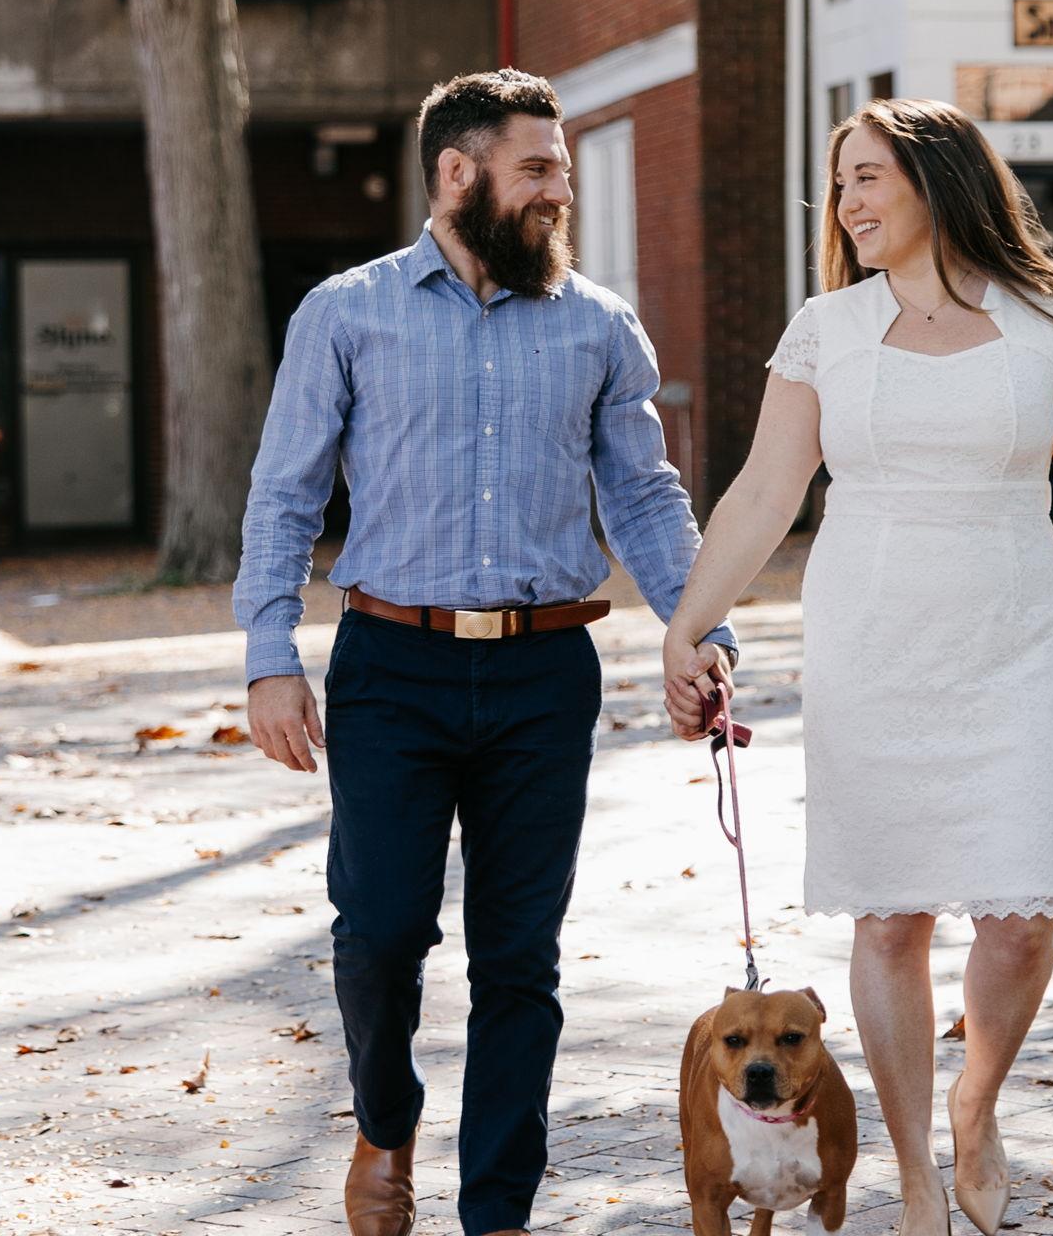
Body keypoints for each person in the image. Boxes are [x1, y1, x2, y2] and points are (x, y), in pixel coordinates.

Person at [236, 69, 737, 1236]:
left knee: (521, 956)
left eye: (558, 169)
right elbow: (283, 495)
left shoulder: (598, 323)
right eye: (539, 169)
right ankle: (384, 1120)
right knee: (377, 931)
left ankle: (498, 1208)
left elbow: (647, 498)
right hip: (390, 667)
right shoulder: (344, 313)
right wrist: (270, 652)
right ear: (457, 174)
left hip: (540, 674)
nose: (560, 191)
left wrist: (699, 627)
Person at [662, 97, 1053, 1236]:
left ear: (938, 180)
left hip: (1012, 641)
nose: (848, 202)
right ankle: (917, 1169)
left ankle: (976, 1101)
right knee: (888, 922)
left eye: (868, 175)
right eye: (839, 184)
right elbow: (764, 493)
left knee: (1017, 919)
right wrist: (687, 626)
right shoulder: (826, 327)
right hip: (871, 642)